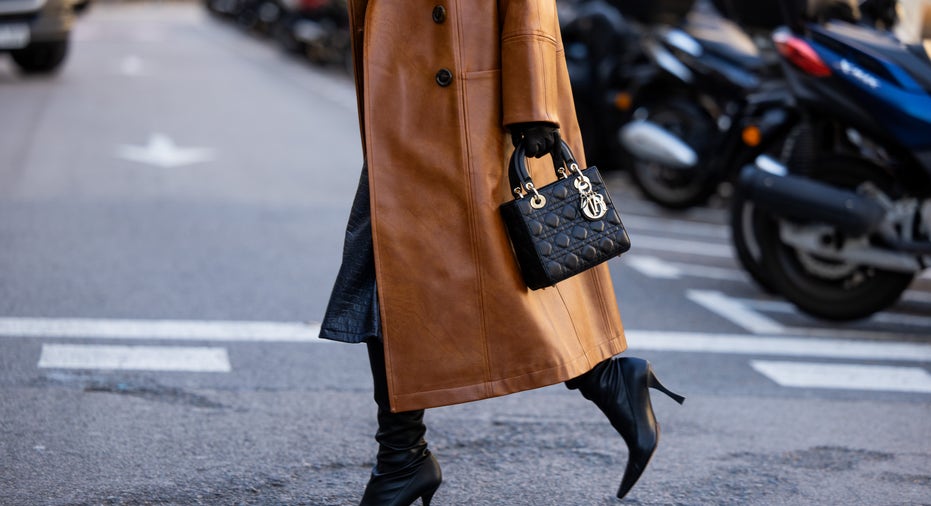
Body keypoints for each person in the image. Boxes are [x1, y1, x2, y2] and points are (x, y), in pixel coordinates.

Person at [319, 1, 684, 504]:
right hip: (416, 82)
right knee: (388, 265)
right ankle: (404, 455)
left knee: (398, 263)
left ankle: (403, 457)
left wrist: (533, 101)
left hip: (469, 87)